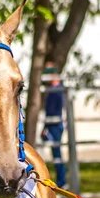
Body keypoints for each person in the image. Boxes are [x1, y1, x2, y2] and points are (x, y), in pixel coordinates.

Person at [41, 61, 68, 189]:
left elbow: (53, 110)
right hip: (51, 125)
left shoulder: (57, 90)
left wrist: (47, 126)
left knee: (57, 153)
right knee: (55, 153)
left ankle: (62, 180)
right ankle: (61, 178)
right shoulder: (52, 90)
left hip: (55, 125)